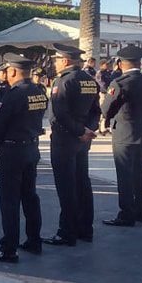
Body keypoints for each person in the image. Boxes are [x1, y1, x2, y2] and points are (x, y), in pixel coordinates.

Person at [0, 53, 49, 263]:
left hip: (12, 151)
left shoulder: (14, 94)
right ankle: (34, 240)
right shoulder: (38, 91)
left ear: (12, 71)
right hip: (31, 147)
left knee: (10, 201)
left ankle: (9, 248)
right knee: (30, 197)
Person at [41, 44, 100, 247]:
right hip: (82, 141)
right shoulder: (89, 80)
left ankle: (67, 232)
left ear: (65, 61)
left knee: (66, 187)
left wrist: (79, 131)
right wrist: (88, 130)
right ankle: (85, 229)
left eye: (57, 60)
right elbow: (96, 111)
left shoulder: (64, 81)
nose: (55, 63)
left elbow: (58, 115)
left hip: (66, 140)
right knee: (82, 183)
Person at [101, 45, 142, 227]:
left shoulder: (119, 83)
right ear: (139, 62)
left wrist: (108, 118)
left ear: (120, 63)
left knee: (125, 175)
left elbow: (106, 110)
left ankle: (126, 214)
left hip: (124, 133)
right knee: (140, 173)